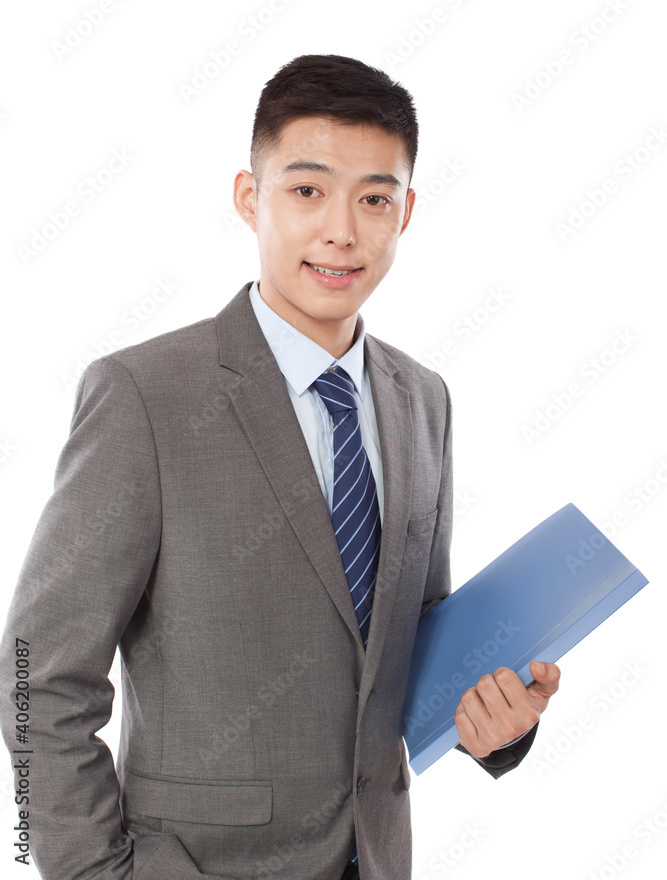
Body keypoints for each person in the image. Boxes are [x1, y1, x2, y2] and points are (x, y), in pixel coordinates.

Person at [0, 54, 560, 880]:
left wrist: (495, 721)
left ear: (404, 215)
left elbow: (408, 647)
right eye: (307, 190)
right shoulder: (143, 395)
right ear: (248, 197)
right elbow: (33, 673)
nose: (342, 228)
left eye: (374, 198)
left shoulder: (422, 401)